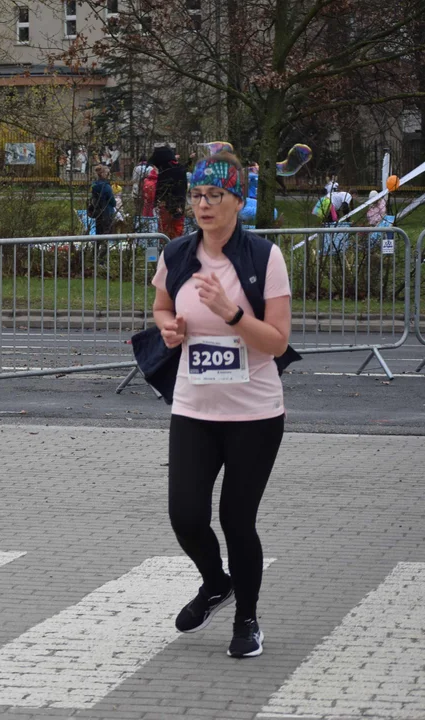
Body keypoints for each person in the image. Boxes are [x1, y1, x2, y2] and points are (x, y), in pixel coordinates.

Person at [144, 152, 296, 660]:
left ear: (238, 200)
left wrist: (230, 313)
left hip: (254, 413)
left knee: (236, 518)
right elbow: (163, 305)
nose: (203, 205)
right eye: (197, 195)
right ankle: (215, 582)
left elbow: (276, 342)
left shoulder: (263, 258)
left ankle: (247, 620)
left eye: (215, 196)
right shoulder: (178, 255)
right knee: (185, 515)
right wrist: (168, 326)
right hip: (193, 407)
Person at [152, 146, 187, 238]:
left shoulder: (165, 171)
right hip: (176, 205)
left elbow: (160, 189)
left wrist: (157, 202)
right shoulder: (180, 169)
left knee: (167, 231)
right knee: (173, 231)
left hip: (168, 205)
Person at [88, 164, 116, 235]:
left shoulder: (94, 185)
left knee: (99, 232)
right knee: (107, 232)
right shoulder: (106, 187)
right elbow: (112, 201)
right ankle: (105, 245)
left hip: (97, 211)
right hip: (107, 212)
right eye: (108, 173)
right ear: (104, 174)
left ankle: (97, 245)